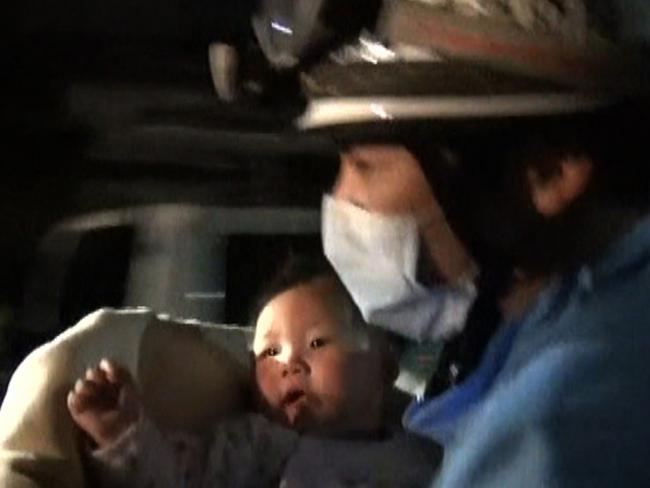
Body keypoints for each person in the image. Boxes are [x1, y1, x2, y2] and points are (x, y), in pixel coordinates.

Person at [237, 0, 650, 485]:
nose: (342, 197)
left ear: (548, 174)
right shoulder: (576, 305)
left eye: (366, 166)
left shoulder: (552, 429)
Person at [66, 256, 437, 487]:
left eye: (318, 343)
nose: (290, 364)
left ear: (383, 367)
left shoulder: (424, 445)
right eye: (270, 352)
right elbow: (176, 479)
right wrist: (122, 435)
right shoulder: (259, 445)